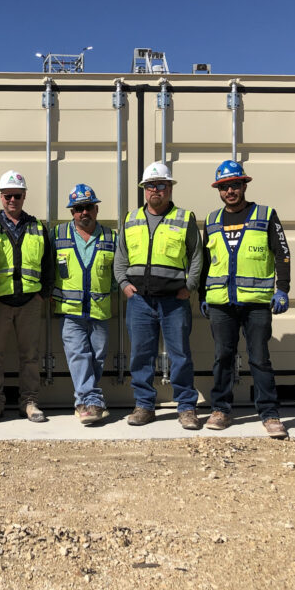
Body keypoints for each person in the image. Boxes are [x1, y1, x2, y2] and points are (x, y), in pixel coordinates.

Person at [199, 160, 291, 439]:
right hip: (220, 303)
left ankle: (270, 413)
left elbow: (282, 253)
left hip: (256, 303)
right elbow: (205, 261)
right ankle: (221, 410)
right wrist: (204, 294)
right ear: (219, 190)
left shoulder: (266, 214)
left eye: (235, 185)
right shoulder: (212, 220)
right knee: (222, 357)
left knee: (260, 359)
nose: (230, 191)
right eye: (225, 187)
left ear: (244, 185)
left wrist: (283, 288)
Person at [114, 161, 203, 429]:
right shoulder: (131, 219)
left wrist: (190, 286)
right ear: (144, 190)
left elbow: (197, 256)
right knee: (141, 355)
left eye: (161, 185)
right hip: (139, 300)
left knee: (180, 355)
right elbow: (121, 257)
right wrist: (123, 284)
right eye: (151, 186)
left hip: (174, 300)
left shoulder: (185, 218)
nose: (156, 190)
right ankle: (144, 405)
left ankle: (186, 407)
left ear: (170, 188)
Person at [0, 170, 55, 423]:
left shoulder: (37, 227)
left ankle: (30, 402)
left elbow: (49, 264)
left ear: (24, 197)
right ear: (1, 197)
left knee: (30, 356)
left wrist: (42, 295)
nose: (12, 200)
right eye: (7, 195)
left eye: (17, 195)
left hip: (29, 302)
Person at [52, 183, 115, 425]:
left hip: (100, 309)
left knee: (97, 358)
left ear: (96, 209)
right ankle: (91, 402)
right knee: (78, 355)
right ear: (72, 212)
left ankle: (84, 401)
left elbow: (119, 269)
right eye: (78, 209)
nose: (84, 213)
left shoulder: (111, 236)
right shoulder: (57, 235)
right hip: (70, 311)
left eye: (88, 207)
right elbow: (48, 267)